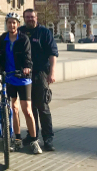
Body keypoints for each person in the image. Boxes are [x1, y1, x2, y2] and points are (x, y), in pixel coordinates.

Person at [0, 12, 42, 154]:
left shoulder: (23, 39)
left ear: (18, 24)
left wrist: (27, 67)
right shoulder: (3, 38)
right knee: (13, 109)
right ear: (7, 23)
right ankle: (17, 140)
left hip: (22, 78)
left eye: (14, 22)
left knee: (27, 110)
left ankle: (34, 140)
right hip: (9, 77)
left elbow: (28, 57)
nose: (12, 25)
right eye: (9, 22)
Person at [19, 9, 58, 151]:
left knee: (42, 106)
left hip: (40, 73)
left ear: (37, 17)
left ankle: (48, 138)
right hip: (24, 74)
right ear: (24, 18)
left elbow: (52, 54)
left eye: (32, 17)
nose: (30, 19)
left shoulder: (45, 32)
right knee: (29, 108)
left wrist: (52, 72)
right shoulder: (20, 31)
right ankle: (32, 135)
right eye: (27, 17)